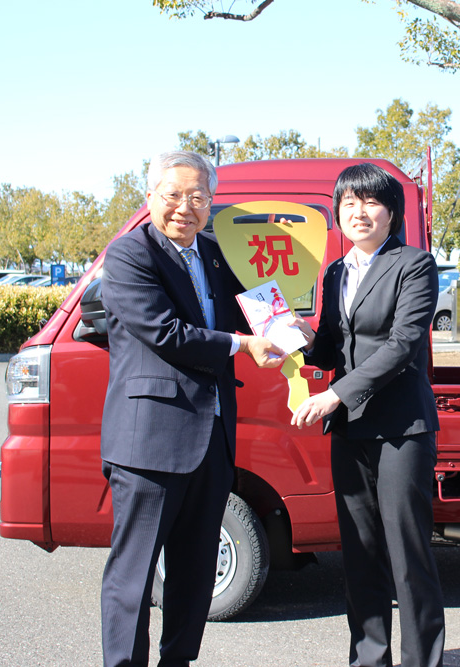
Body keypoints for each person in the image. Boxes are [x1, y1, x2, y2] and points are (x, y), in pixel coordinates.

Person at [99, 150, 286, 667]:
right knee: (134, 575)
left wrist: (287, 333)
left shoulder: (216, 252)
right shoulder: (130, 254)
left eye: (198, 197)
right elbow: (165, 333)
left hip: (212, 438)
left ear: (211, 203)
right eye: (174, 195)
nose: (185, 207)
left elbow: (256, 307)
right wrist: (241, 345)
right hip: (148, 441)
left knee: (196, 572)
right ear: (151, 197)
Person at [291, 163, 445, 667]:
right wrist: (290, 338)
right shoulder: (336, 272)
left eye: (371, 202)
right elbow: (333, 347)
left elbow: (402, 345)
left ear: (391, 212)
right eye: (349, 203)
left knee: (408, 554)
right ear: (337, 213)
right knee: (359, 553)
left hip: (402, 429)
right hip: (353, 431)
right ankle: (369, 659)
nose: (359, 212)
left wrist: (334, 395)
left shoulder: (414, 264)